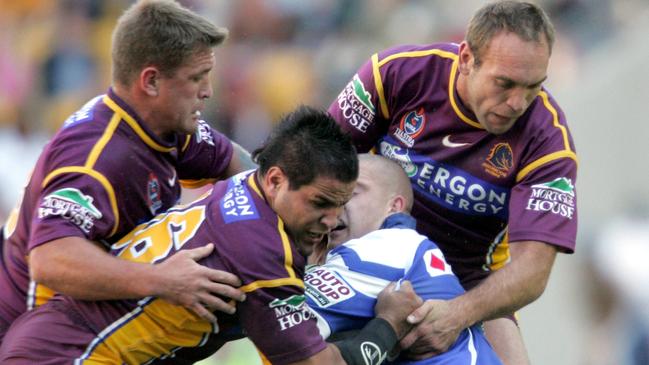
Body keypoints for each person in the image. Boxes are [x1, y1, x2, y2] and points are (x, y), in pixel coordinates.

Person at [0, 106, 422, 365]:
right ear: (275, 181)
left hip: (49, 340)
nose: (332, 221)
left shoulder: (243, 185)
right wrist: (388, 323)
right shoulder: (262, 254)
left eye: (341, 205)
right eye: (319, 204)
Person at [327, 1, 578, 363]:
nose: (517, 103)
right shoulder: (396, 73)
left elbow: (533, 269)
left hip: (466, 280)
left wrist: (458, 314)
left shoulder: (548, 140)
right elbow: (318, 165)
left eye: (533, 87)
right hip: (367, 249)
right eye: (505, 83)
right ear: (466, 59)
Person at [0, 0, 255, 341]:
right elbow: (50, 259)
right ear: (150, 82)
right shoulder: (97, 158)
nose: (207, 91)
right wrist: (164, 280)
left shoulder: (165, 125)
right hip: (24, 334)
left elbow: (240, 166)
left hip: (78, 328)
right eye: (196, 78)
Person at [307, 154, 503, 364]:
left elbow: (281, 317)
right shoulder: (412, 251)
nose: (336, 205)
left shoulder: (392, 244)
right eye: (333, 195)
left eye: (351, 193)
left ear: (393, 207)